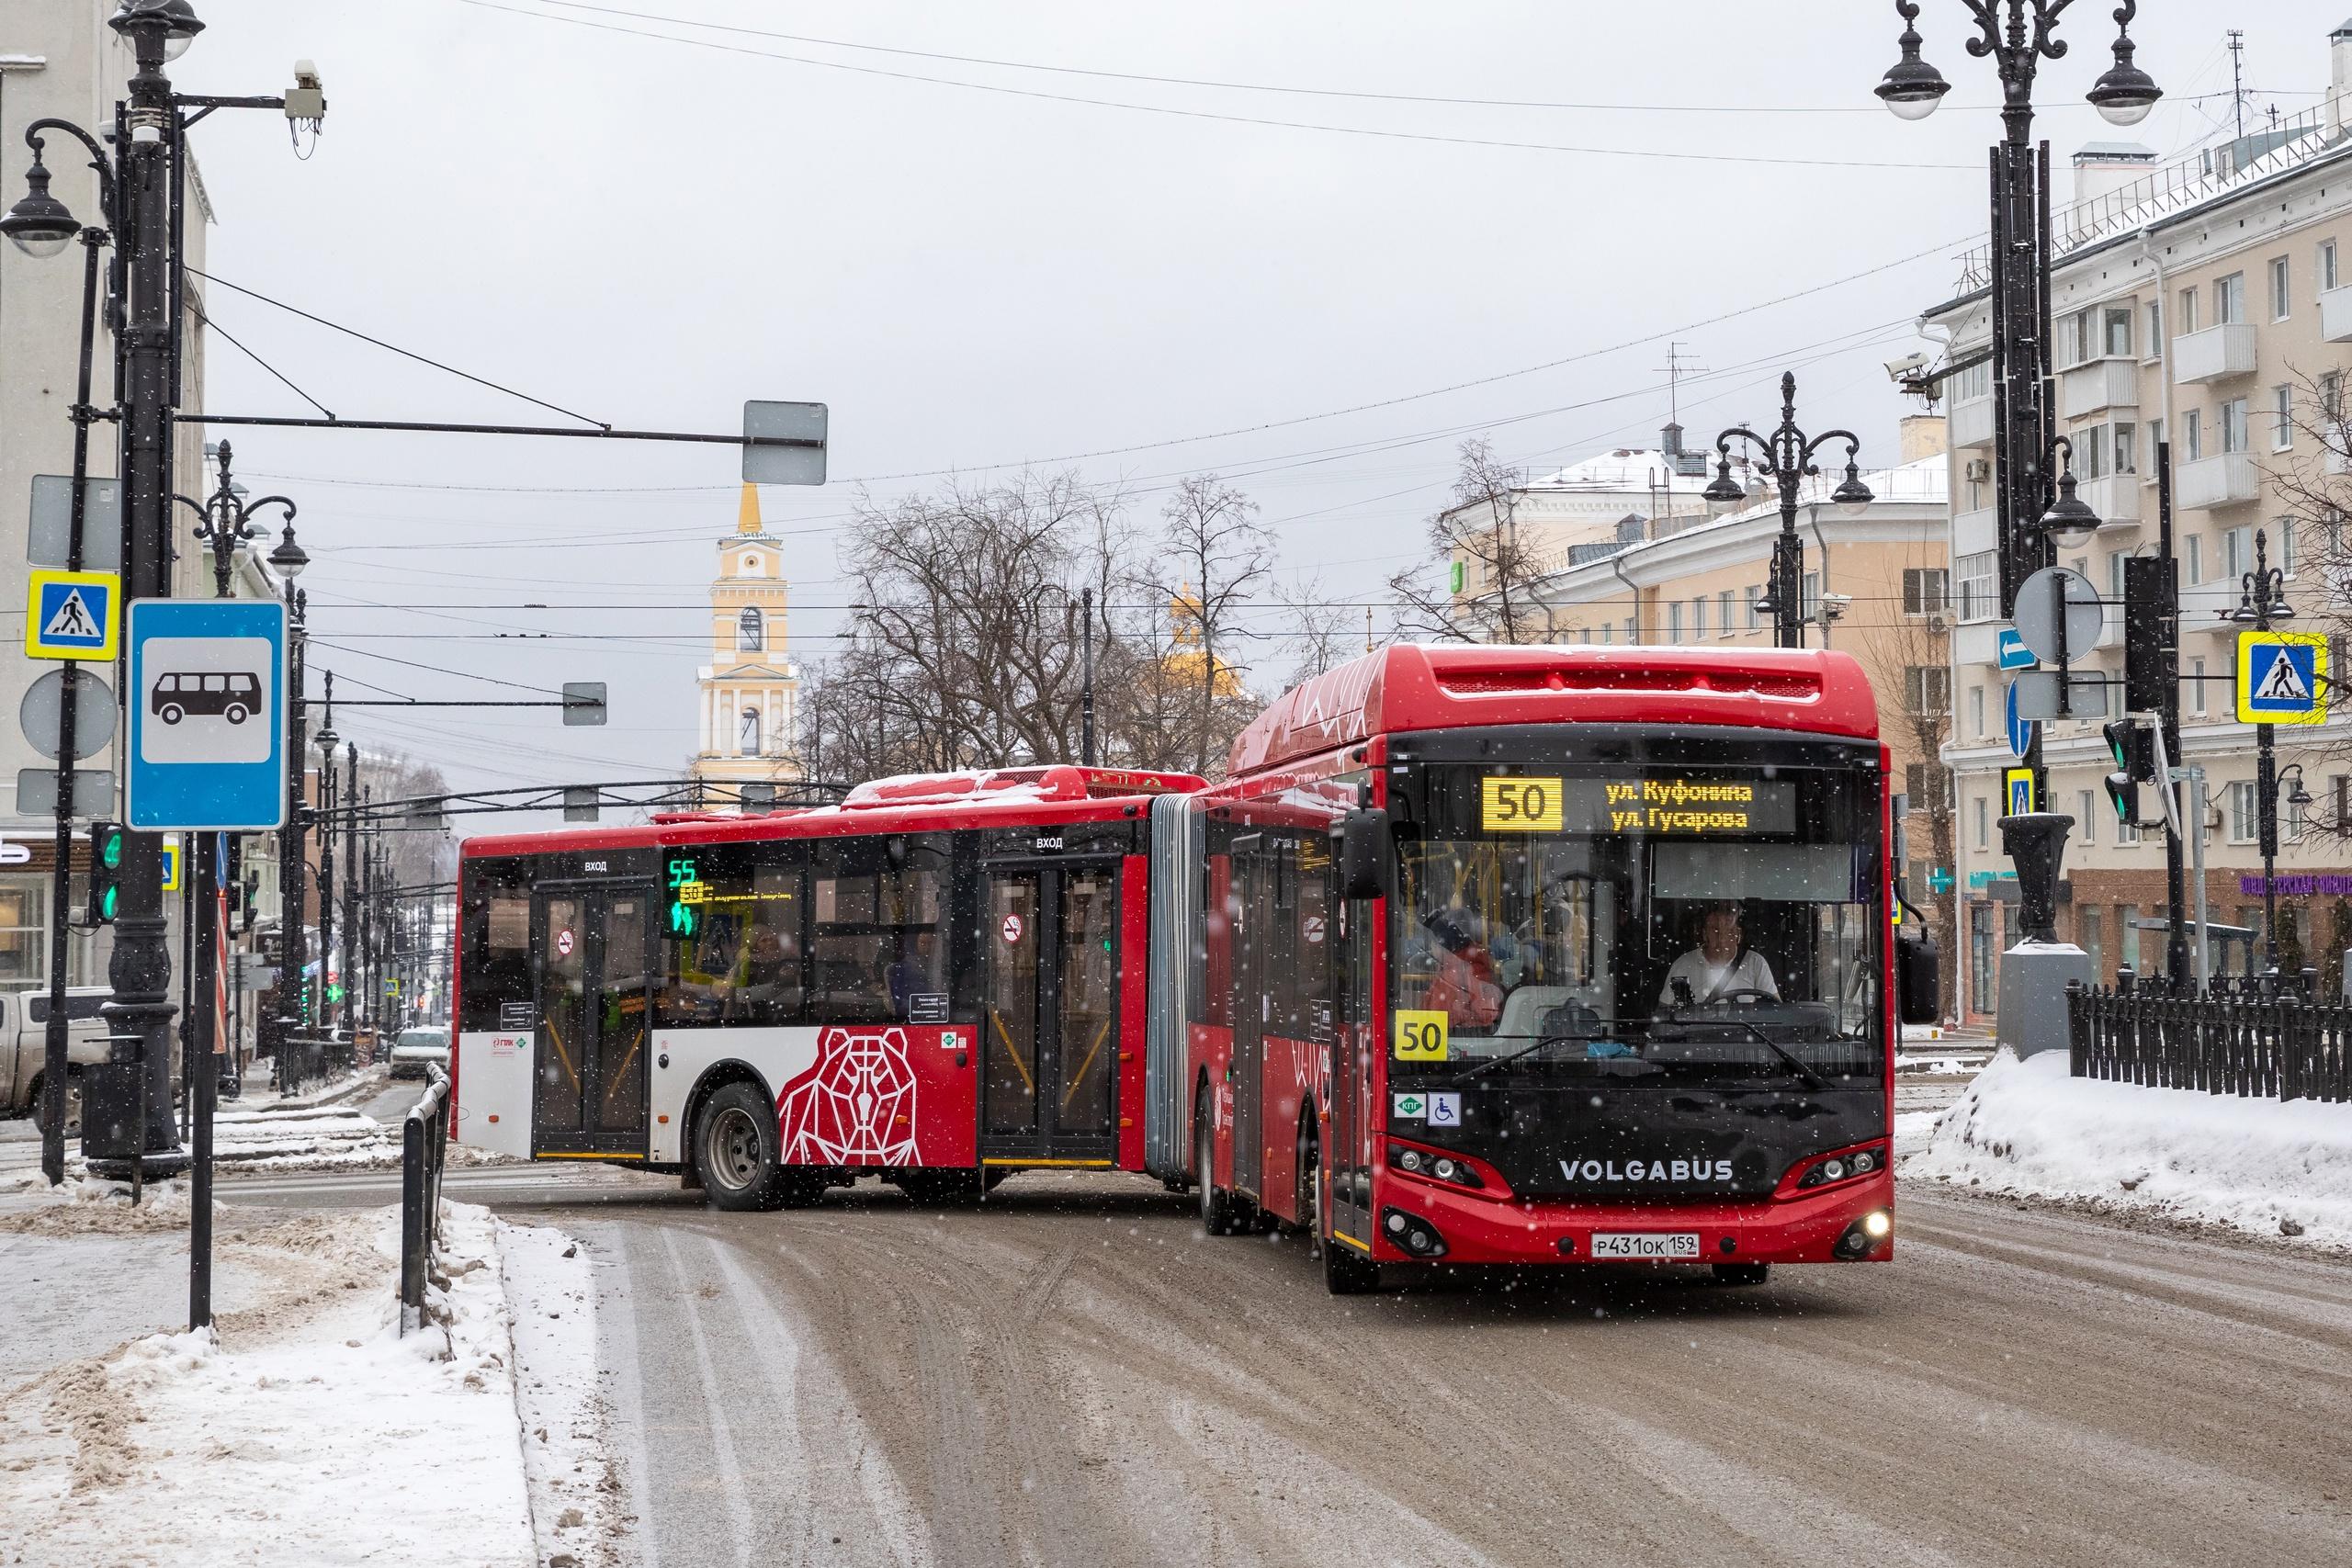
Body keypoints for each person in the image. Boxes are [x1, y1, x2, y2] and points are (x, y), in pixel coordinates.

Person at [1658, 903, 1778, 1009]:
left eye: (1729, 932)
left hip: (1744, 1033)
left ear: (1738, 935)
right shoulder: (1683, 965)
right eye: (1716, 931)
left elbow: (1775, 1010)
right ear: (1705, 934)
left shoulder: (1756, 963)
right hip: (1696, 1033)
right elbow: (1664, 1015)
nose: (1722, 938)